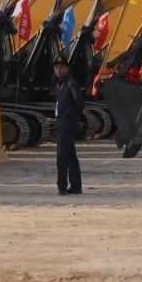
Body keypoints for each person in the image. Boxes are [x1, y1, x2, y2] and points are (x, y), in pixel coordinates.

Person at [53, 56, 85, 195]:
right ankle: (76, 186)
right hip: (61, 124)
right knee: (71, 156)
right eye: (56, 67)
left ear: (67, 68)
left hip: (67, 125)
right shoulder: (59, 85)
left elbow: (80, 103)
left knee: (61, 157)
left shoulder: (71, 83)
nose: (59, 70)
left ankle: (62, 187)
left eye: (61, 67)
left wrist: (72, 119)